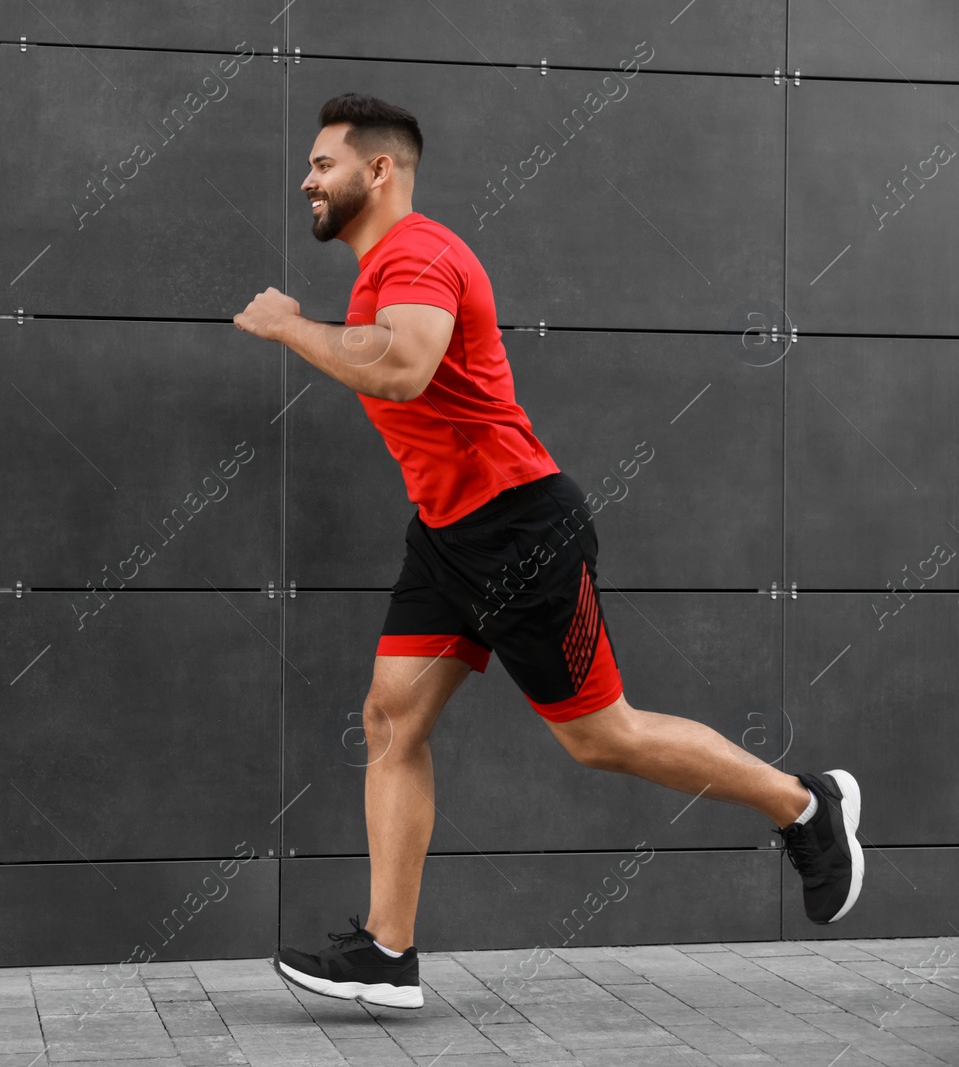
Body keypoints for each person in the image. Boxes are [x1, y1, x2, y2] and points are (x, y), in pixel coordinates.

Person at [231, 92, 865, 1010]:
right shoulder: (381, 272)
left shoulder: (417, 252)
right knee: (390, 720)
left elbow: (405, 369)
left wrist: (289, 325)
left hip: (520, 530)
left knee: (600, 738)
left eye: (322, 163)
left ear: (380, 170)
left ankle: (805, 804)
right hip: (448, 535)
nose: (306, 178)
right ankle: (387, 953)